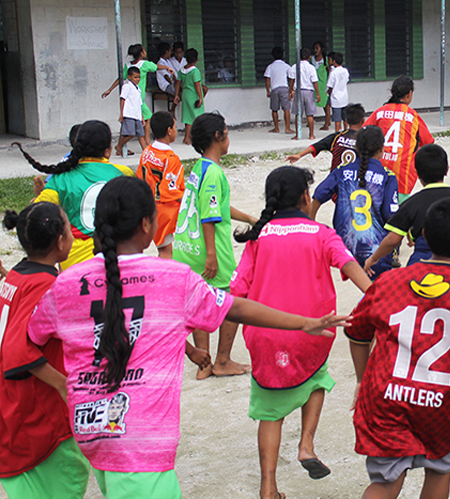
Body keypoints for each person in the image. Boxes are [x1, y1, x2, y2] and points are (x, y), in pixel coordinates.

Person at [26, 176, 350, 499]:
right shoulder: (173, 279)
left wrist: (62, 384)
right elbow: (235, 307)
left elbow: (32, 336)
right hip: (142, 437)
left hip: (88, 425)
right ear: (146, 224)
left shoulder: (67, 283)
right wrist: (302, 323)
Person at [230, 166, 371, 499]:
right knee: (316, 381)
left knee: (269, 412)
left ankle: (268, 486)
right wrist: (377, 294)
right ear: (306, 197)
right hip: (313, 333)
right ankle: (307, 444)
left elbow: (237, 291)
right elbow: (348, 265)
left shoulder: (258, 237)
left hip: (264, 335)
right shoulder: (321, 234)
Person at [347, 197, 450, 499]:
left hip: (386, 397)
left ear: (422, 235)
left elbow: (357, 332)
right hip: (441, 402)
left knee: (386, 482)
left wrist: (364, 381)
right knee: (439, 469)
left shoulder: (389, 281)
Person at [0, 203, 90, 499]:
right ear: (61, 240)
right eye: (67, 227)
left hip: (13, 401)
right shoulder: (44, 285)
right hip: (36, 407)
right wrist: (64, 386)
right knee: (64, 478)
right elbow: (17, 351)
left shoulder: (15, 276)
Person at [173, 113, 257, 379]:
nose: (228, 138)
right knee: (233, 300)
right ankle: (222, 360)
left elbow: (216, 205)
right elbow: (210, 216)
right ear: (217, 137)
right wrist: (212, 254)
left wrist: (248, 218)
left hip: (188, 249)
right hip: (210, 251)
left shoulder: (199, 168)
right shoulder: (215, 173)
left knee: (199, 301)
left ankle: (204, 361)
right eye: (227, 133)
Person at [14, 120, 135, 270]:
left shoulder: (60, 178)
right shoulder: (123, 174)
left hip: (74, 264)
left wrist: (39, 195)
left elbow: (37, 217)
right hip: (115, 260)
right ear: (108, 150)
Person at [364, 144, 450, 274]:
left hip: (421, 265)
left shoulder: (412, 204)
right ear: (447, 170)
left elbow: (392, 241)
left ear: (417, 172)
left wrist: (373, 258)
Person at [310, 126, 399, 278]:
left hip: (344, 247)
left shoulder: (342, 169)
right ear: (382, 149)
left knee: (364, 288)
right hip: (375, 248)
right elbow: (391, 215)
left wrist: (310, 221)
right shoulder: (387, 176)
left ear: (356, 147)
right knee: (376, 291)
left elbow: (319, 194)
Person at [365, 76, 435, 203]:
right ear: (409, 94)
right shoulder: (413, 116)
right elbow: (428, 142)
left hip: (376, 174)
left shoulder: (379, 112)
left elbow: (363, 135)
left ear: (392, 93)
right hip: (403, 177)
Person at [102, 44, 175, 145]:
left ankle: (138, 143)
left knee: (129, 122)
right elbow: (156, 66)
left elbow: (120, 78)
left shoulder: (128, 65)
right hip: (138, 100)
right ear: (141, 53)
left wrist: (110, 89)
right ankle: (144, 141)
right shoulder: (144, 64)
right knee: (147, 118)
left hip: (133, 100)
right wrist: (167, 67)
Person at [138, 111, 185, 259]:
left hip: (147, 205)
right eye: (175, 127)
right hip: (163, 210)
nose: (176, 131)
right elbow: (170, 191)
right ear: (169, 130)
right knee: (166, 252)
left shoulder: (147, 152)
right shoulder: (171, 159)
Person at [287, 103, 365, 170]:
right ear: (363, 120)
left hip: (335, 178)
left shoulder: (337, 136)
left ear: (346, 121)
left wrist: (299, 155)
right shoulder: (366, 138)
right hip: (356, 178)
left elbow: (316, 146)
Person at [173, 48, 207, 145]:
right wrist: (200, 97)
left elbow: (178, 84)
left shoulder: (181, 70)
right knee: (197, 117)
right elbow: (197, 84)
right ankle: (196, 137)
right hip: (193, 95)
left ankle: (187, 137)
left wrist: (176, 95)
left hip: (185, 95)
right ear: (196, 59)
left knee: (188, 118)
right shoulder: (195, 71)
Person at [289, 47, 321, 140]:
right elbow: (314, 81)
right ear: (310, 57)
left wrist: (290, 90)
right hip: (309, 91)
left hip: (298, 91)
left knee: (298, 114)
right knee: (310, 114)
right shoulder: (311, 68)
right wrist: (317, 94)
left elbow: (292, 80)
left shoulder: (295, 66)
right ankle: (311, 135)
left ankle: (297, 134)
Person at [116, 67, 147, 156]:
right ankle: (119, 145)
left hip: (137, 115)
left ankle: (145, 152)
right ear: (129, 77)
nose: (137, 79)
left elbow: (139, 105)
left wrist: (142, 118)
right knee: (130, 134)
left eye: (139, 77)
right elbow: (122, 100)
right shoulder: (127, 86)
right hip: (129, 114)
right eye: (135, 77)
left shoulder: (138, 89)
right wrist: (121, 114)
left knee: (141, 135)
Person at [264, 46, 294, 135]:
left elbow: (267, 80)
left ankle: (276, 128)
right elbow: (291, 77)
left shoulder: (270, 67)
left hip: (274, 88)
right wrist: (291, 90)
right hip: (284, 88)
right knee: (286, 109)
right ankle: (287, 128)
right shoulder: (286, 66)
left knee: (274, 109)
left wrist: (268, 91)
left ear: (272, 56)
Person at [326, 52, 350, 133]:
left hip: (336, 98)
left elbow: (330, 86)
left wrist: (329, 94)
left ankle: (337, 133)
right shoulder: (345, 71)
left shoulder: (333, 73)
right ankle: (346, 130)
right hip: (344, 97)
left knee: (337, 119)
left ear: (334, 61)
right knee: (345, 117)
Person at [311, 41, 332, 130]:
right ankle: (310, 121)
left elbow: (329, 72)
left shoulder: (326, 60)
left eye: (317, 48)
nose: (315, 50)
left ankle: (326, 124)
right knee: (311, 103)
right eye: (314, 48)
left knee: (326, 105)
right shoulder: (311, 59)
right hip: (313, 85)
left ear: (322, 49)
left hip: (323, 85)